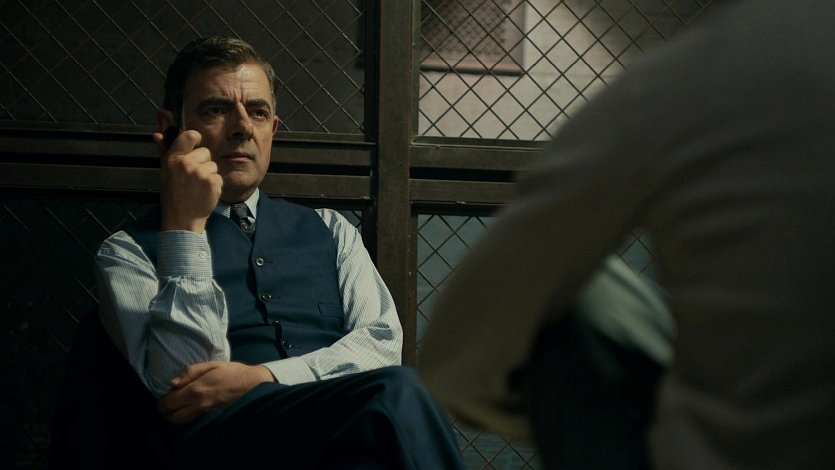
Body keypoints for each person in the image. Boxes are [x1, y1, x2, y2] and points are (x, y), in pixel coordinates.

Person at [418, 1, 835, 469]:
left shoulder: (698, 73)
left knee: (580, 297)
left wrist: (580, 419)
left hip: (712, 449)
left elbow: (453, 354)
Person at [94, 36, 464, 469]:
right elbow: (182, 385)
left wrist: (263, 377)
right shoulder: (126, 252)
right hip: (217, 448)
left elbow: (380, 344)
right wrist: (185, 227)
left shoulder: (331, 229)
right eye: (216, 110)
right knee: (399, 392)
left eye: (257, 112)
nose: (242, 128)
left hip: (337, 434)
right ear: (171, 126)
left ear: (273, 129)